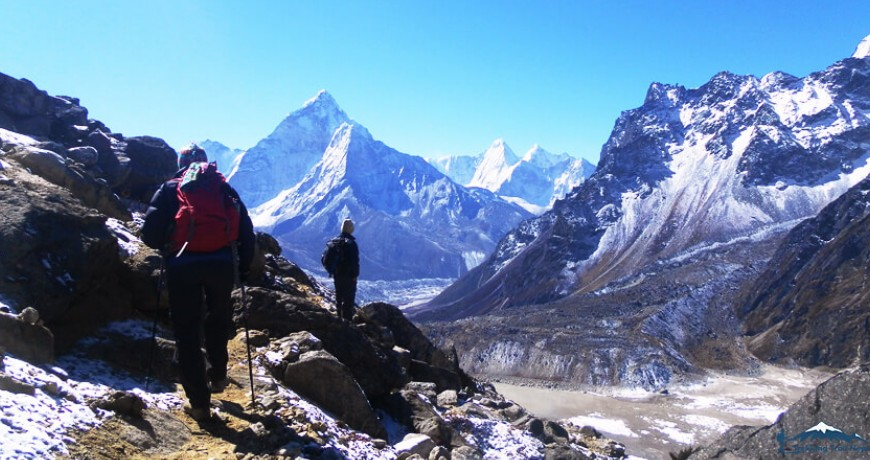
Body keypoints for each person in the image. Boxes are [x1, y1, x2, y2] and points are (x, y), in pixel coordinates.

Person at [140, 143, 255, 422]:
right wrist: (245, 268)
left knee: (187, 332)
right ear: (206, 163)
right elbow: (246, 231)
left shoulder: (169, 190)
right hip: (221, 266)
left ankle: (200, 404)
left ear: (180, 163)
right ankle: (217, 376)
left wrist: (169, 243)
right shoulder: (223, 188)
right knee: (217, 318)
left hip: (182, 266)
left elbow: (149, 235)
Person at [322, 219, 360, 321]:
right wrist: (355, 275)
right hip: (348, 276)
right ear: (351, 229)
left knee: (339, 296)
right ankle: (348, 324)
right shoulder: (351, 243)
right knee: (348, 300)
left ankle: (338, 319)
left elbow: (324, 258)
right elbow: (354, 262)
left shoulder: (334, 241)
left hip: (337, 274)